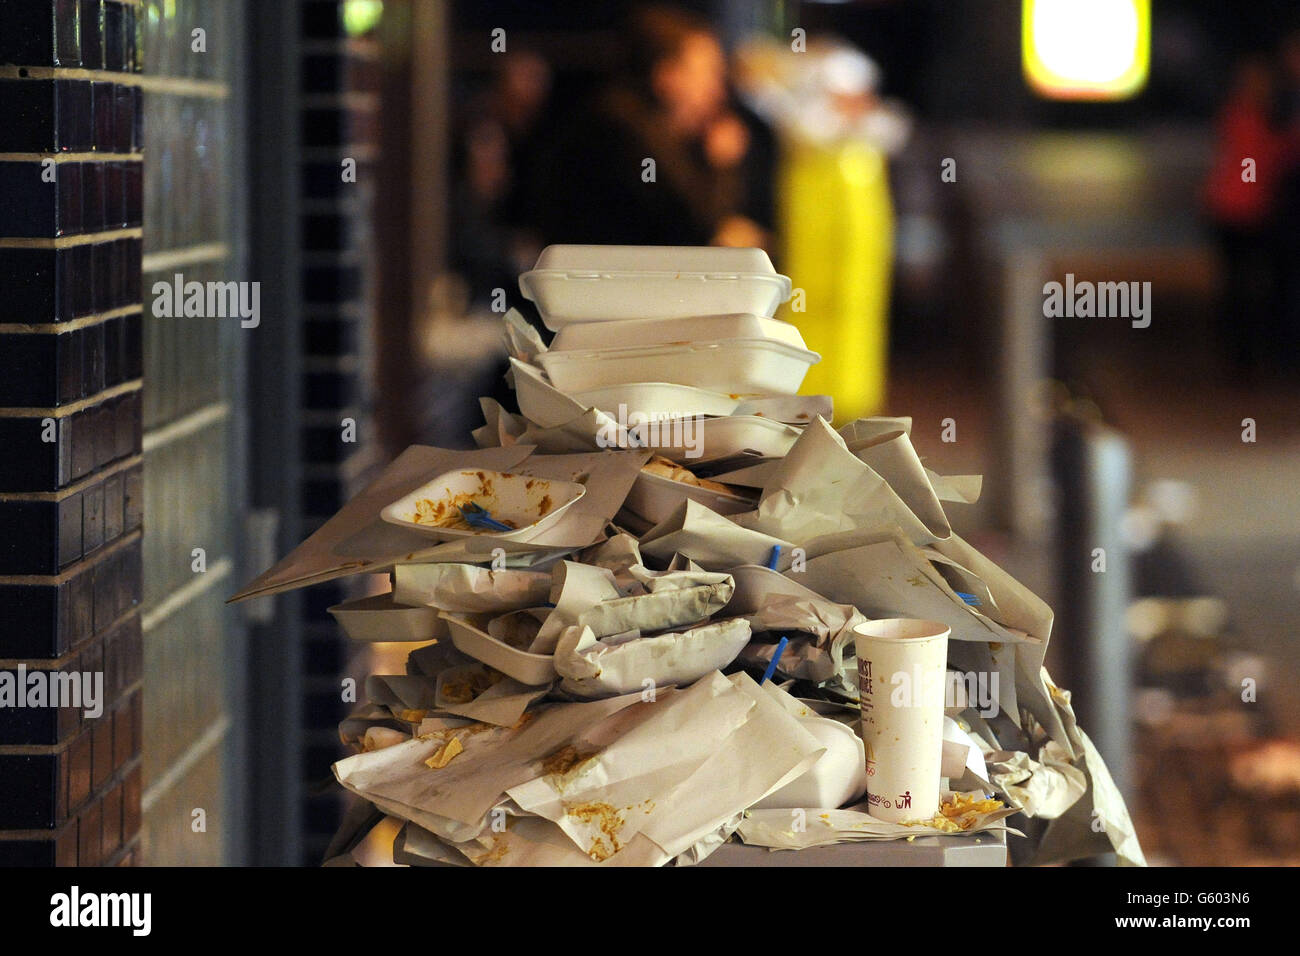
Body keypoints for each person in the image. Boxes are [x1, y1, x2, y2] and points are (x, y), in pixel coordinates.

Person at [529, 4, 772, 249]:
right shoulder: (622, 132)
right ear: (666, 76)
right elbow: (691, 232)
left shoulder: (654, 131)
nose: (718, 91)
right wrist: (722, 168)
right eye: (707, 74)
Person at [1202, 55, 1288, 379]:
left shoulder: (1246, 116)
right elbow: (1253, 165)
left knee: (1242, 286)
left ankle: (1242, 357)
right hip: (1239, 215)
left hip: (1242, 212)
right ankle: (1239, 358)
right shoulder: (1244, 117)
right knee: (1241, 287)